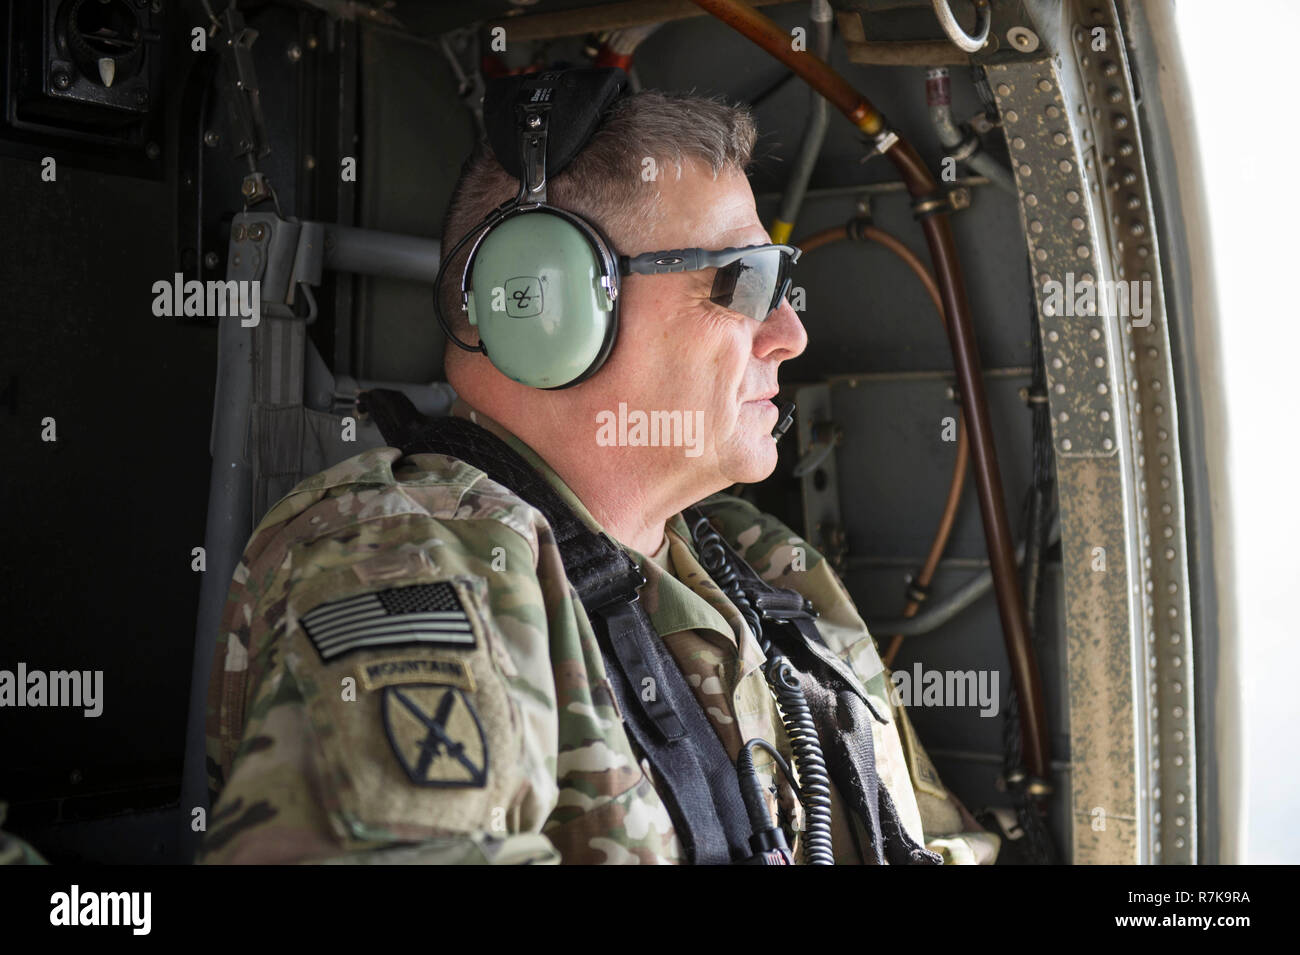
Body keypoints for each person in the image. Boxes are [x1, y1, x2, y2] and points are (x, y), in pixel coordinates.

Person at [200, 88, 997, 865]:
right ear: (547, 304)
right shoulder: (413, 568)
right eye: (744, 280)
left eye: (780, 282)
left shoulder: (766, 562)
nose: (789, 333)